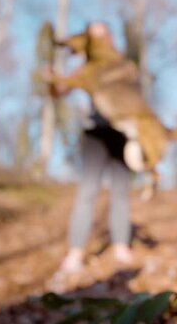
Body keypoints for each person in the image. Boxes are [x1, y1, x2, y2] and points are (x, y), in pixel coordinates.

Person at [46, 23, 137, 287]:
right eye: (93, 37)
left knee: (120, 192)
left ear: (110, 39)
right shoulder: (85, 67)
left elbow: (136, 99)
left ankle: (121, 246)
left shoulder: (123, 66)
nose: (98, 42)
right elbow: (59, 91)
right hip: (94, 135)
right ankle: (75, 252)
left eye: (102, 36)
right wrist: (54, 79)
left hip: (121, 133)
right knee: (87, 191)